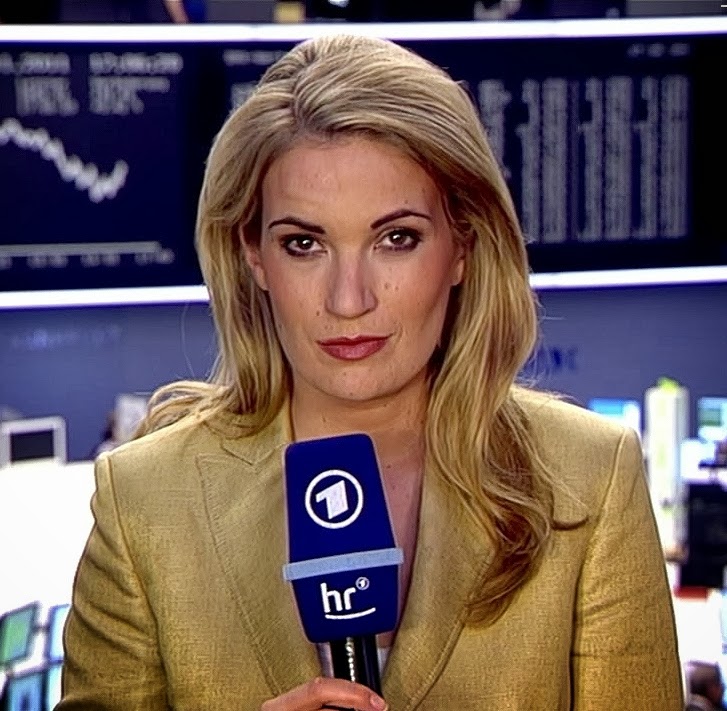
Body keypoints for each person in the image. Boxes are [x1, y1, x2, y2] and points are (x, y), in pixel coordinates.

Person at [57, 34, 683, 710]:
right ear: (253, 256)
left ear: (463, 246)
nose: (348, 300)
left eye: (396, 238)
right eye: (304, 243)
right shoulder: (145, 501)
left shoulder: (590, 478)